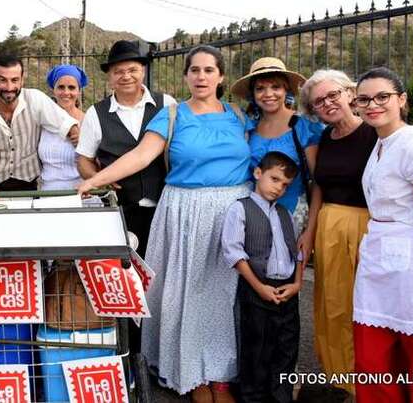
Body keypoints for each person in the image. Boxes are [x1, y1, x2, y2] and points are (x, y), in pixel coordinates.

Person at [78, 45, 250, 403]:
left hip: (234, 211)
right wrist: (95, 180)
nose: (201, 77)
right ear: (186, 76)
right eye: (195, 71)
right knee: (191, 295)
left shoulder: (238, 116)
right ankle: (193, 372)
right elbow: (140, 156)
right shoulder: (172, 115)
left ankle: (222, 372)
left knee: (227, 295)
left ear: (220, 76)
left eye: (208, 70)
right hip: (188, 211)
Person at [351, 67, 413, 402]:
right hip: (378, 263)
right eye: (364, 99)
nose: (373, 104)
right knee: (374, 362)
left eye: (382, 96)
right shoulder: (381, 144)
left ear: (402, 100)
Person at [298, 70, 377, 397]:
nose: (327, 103)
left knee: (369, 309)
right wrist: (310, 231)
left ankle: (375, 380)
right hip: (330, 228)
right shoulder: (324, 140)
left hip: (369, 229)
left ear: (349, 93)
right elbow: (319, 188)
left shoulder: (376, 133)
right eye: (319, 101)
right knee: (333, 307)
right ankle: (341, 381)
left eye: (333, 95)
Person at [76, 40, 176, 257]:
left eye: (132, 70)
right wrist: (97, 177)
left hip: (164, 207)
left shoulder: (167, 104)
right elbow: (83, 159)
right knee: (125, 269)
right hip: (120, 210)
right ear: (109, 77)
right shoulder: (96, 113)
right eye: (118, 71)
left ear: (143, 70)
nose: (126, 76)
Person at [222, 151, 303, 403]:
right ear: (258, 173)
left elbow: (297, 254)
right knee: (256, 347)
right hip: (256, 289)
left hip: (287, 291)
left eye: (285, 185)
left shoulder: (285, 214)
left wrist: (297, 283)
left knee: (286, 347)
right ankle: (252, 397)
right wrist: (259, 287)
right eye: (274, 179)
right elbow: (233, 251)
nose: (278, 188)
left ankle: (281, 396)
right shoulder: (240, 208)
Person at [0, 53, 79, 191]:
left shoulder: (35, 99)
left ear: (22, 81)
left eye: (14, 80)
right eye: (2, 80)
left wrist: (77, 136)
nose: (9, 87)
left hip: (31, 186)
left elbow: (65, 123)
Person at [230, 57, 323, 217]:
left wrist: (310, 231)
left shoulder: (304, 127)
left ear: (286, 90)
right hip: (254, 216)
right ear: (253, 94)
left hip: (292, 215)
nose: (268, 94)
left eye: (275, 87)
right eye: (260, 88)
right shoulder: (249, 128)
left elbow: (318, 183)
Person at [39, 64, 88, 190]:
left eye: (71, 88)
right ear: (53, 90)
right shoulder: (42, 122)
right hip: (48, 196)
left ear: (79, 91)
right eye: (61, 87)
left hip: (80, 194)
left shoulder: (88, 121)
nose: (66, 92)